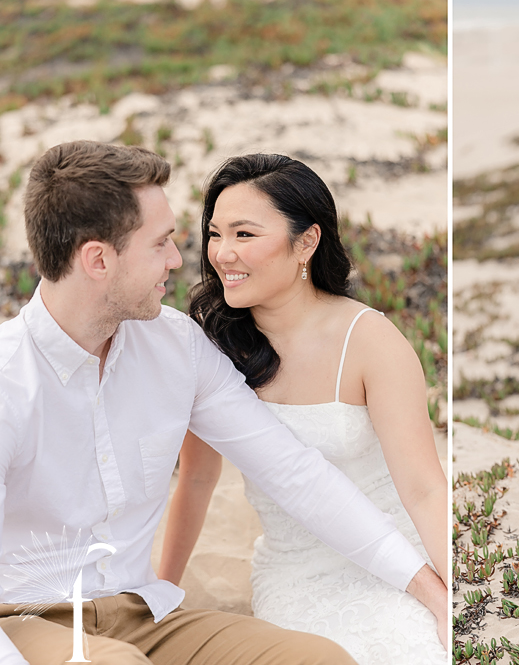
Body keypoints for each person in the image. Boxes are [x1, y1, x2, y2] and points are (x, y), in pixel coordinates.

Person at [0, 140, 446, 665]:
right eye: (161, 243)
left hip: (145, 614)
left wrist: (430, 590)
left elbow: (294, 473)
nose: (181, 259)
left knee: (321, 659)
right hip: (28, 617)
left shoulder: (178, 348)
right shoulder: (9, 379)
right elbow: (197, 478)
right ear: (98, 259)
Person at [157, 154, 447, 664]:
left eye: (245, 234)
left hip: (399, 556)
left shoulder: (370, 339)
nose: (223, 253)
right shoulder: (214, 347)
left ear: (306, 242)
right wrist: (158, 597)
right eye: (216, 233)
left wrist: (452, 596)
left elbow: (424, 488)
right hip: (294, 572)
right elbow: (197, 480)